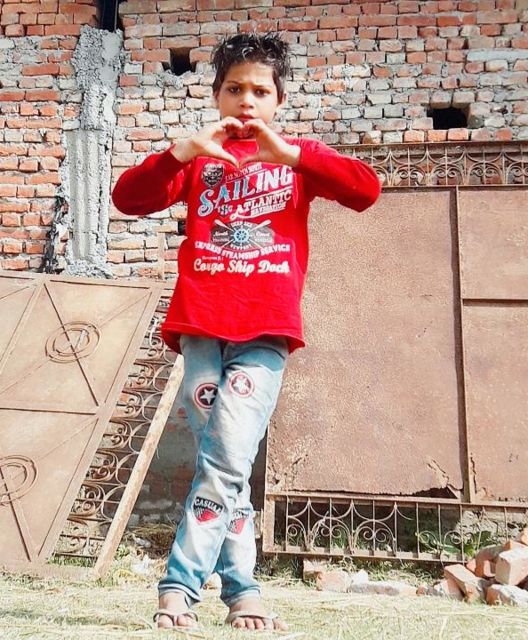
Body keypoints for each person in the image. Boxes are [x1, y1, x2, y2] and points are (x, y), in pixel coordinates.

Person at [112, 31, 381, 631]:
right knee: (225, 464)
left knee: (226, 459)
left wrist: (293, 156)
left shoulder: (297, 157)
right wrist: (179, 152)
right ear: (217, 95)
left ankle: (179, 588)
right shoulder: (198, 158)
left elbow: (366, 190)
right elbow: (128, 199)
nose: (247, 101)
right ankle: (243, 593)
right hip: (200, 328)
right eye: (235, 89)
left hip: (264, 333)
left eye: (260, 91)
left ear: (278, 100)